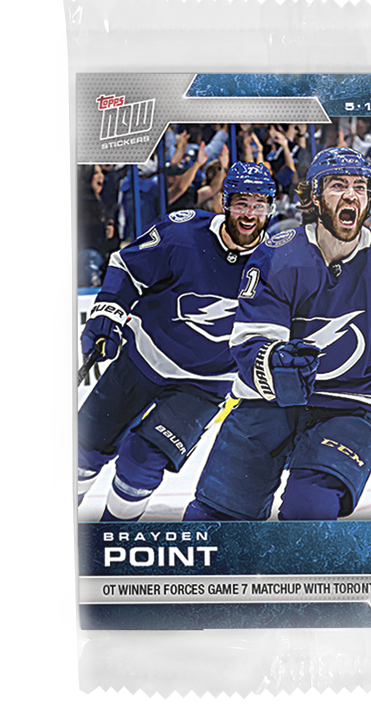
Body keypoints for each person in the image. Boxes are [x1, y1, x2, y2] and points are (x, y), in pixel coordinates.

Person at [184, 147, 371, 522]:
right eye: (338, 185)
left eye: (359, 187)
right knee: (213, 520)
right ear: (314, 197)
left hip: (350, 407)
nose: (351, 195)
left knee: (309, 512)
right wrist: (273, 363)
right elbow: (251, 340)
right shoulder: (279, 254)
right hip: (268, 404)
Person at [77, 162, 277, 522]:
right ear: (224, 203)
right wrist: (107, 311)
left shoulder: (279, 264)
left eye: (259, 205)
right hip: (142, 359)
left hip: (205, 383)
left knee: (142, 460)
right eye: (241, 203)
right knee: (84, 451)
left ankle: (113, 535)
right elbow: (128, 267)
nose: (250, 214)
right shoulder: (183, 233)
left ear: (270, 209)